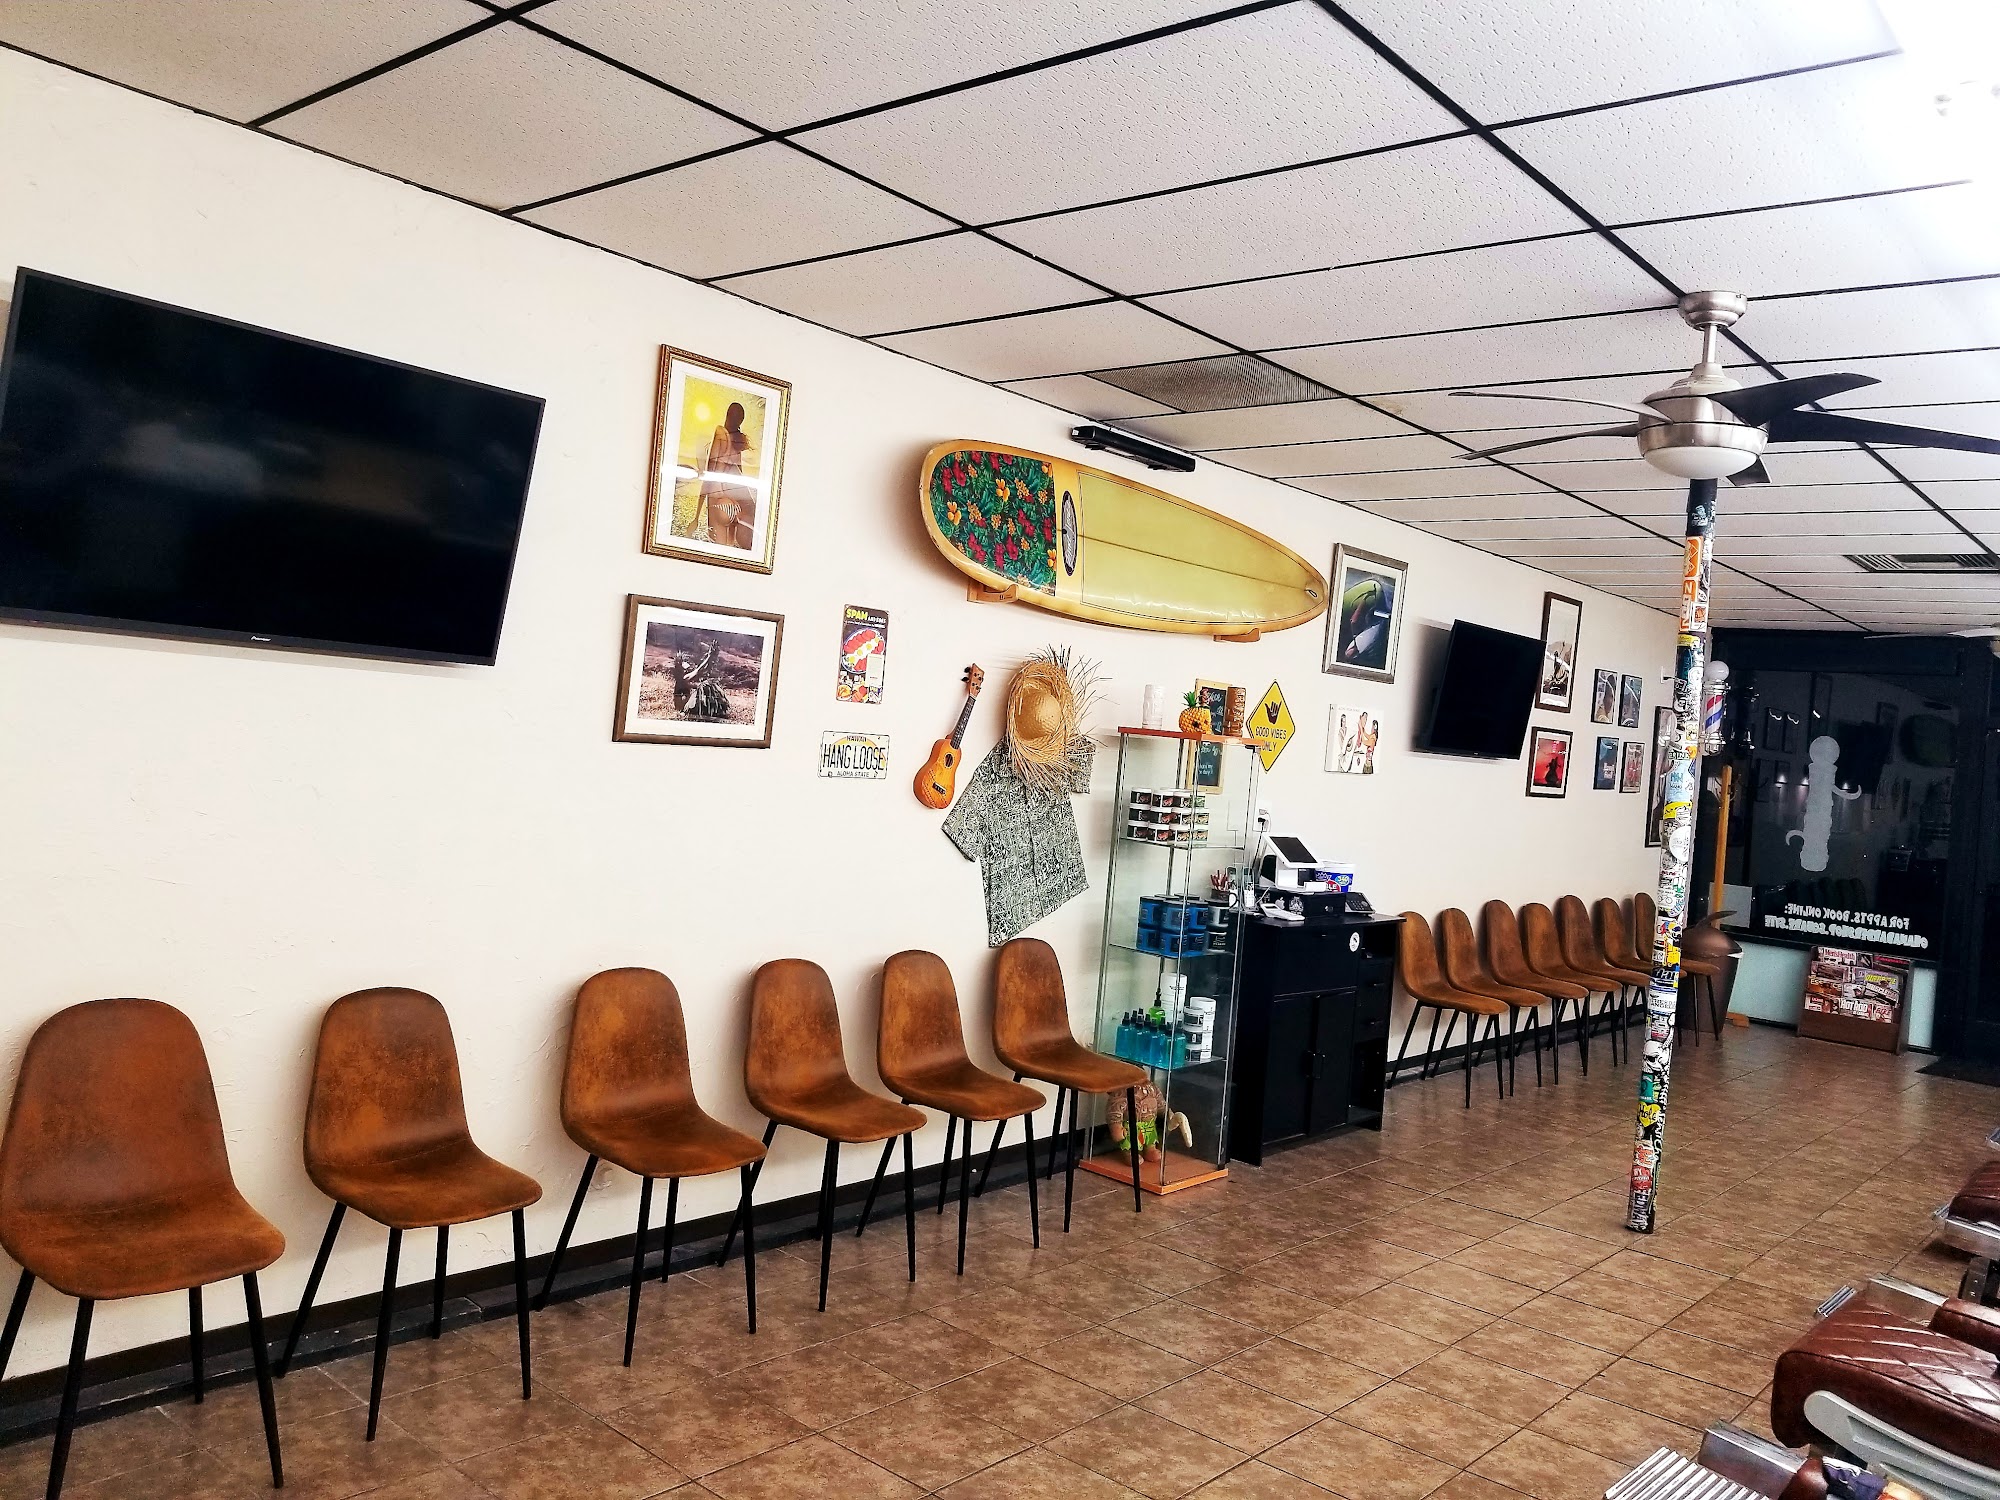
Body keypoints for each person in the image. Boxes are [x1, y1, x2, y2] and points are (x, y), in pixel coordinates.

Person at [700, 402, 755, 550]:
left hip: (719, 499)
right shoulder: (737, 443)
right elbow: (739, 474)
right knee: (731, 553)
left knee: (717, 550)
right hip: (738, 504)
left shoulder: (720, 432)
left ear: (727, 415)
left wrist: (698, 512)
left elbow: (711, 471)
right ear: (741, 420)